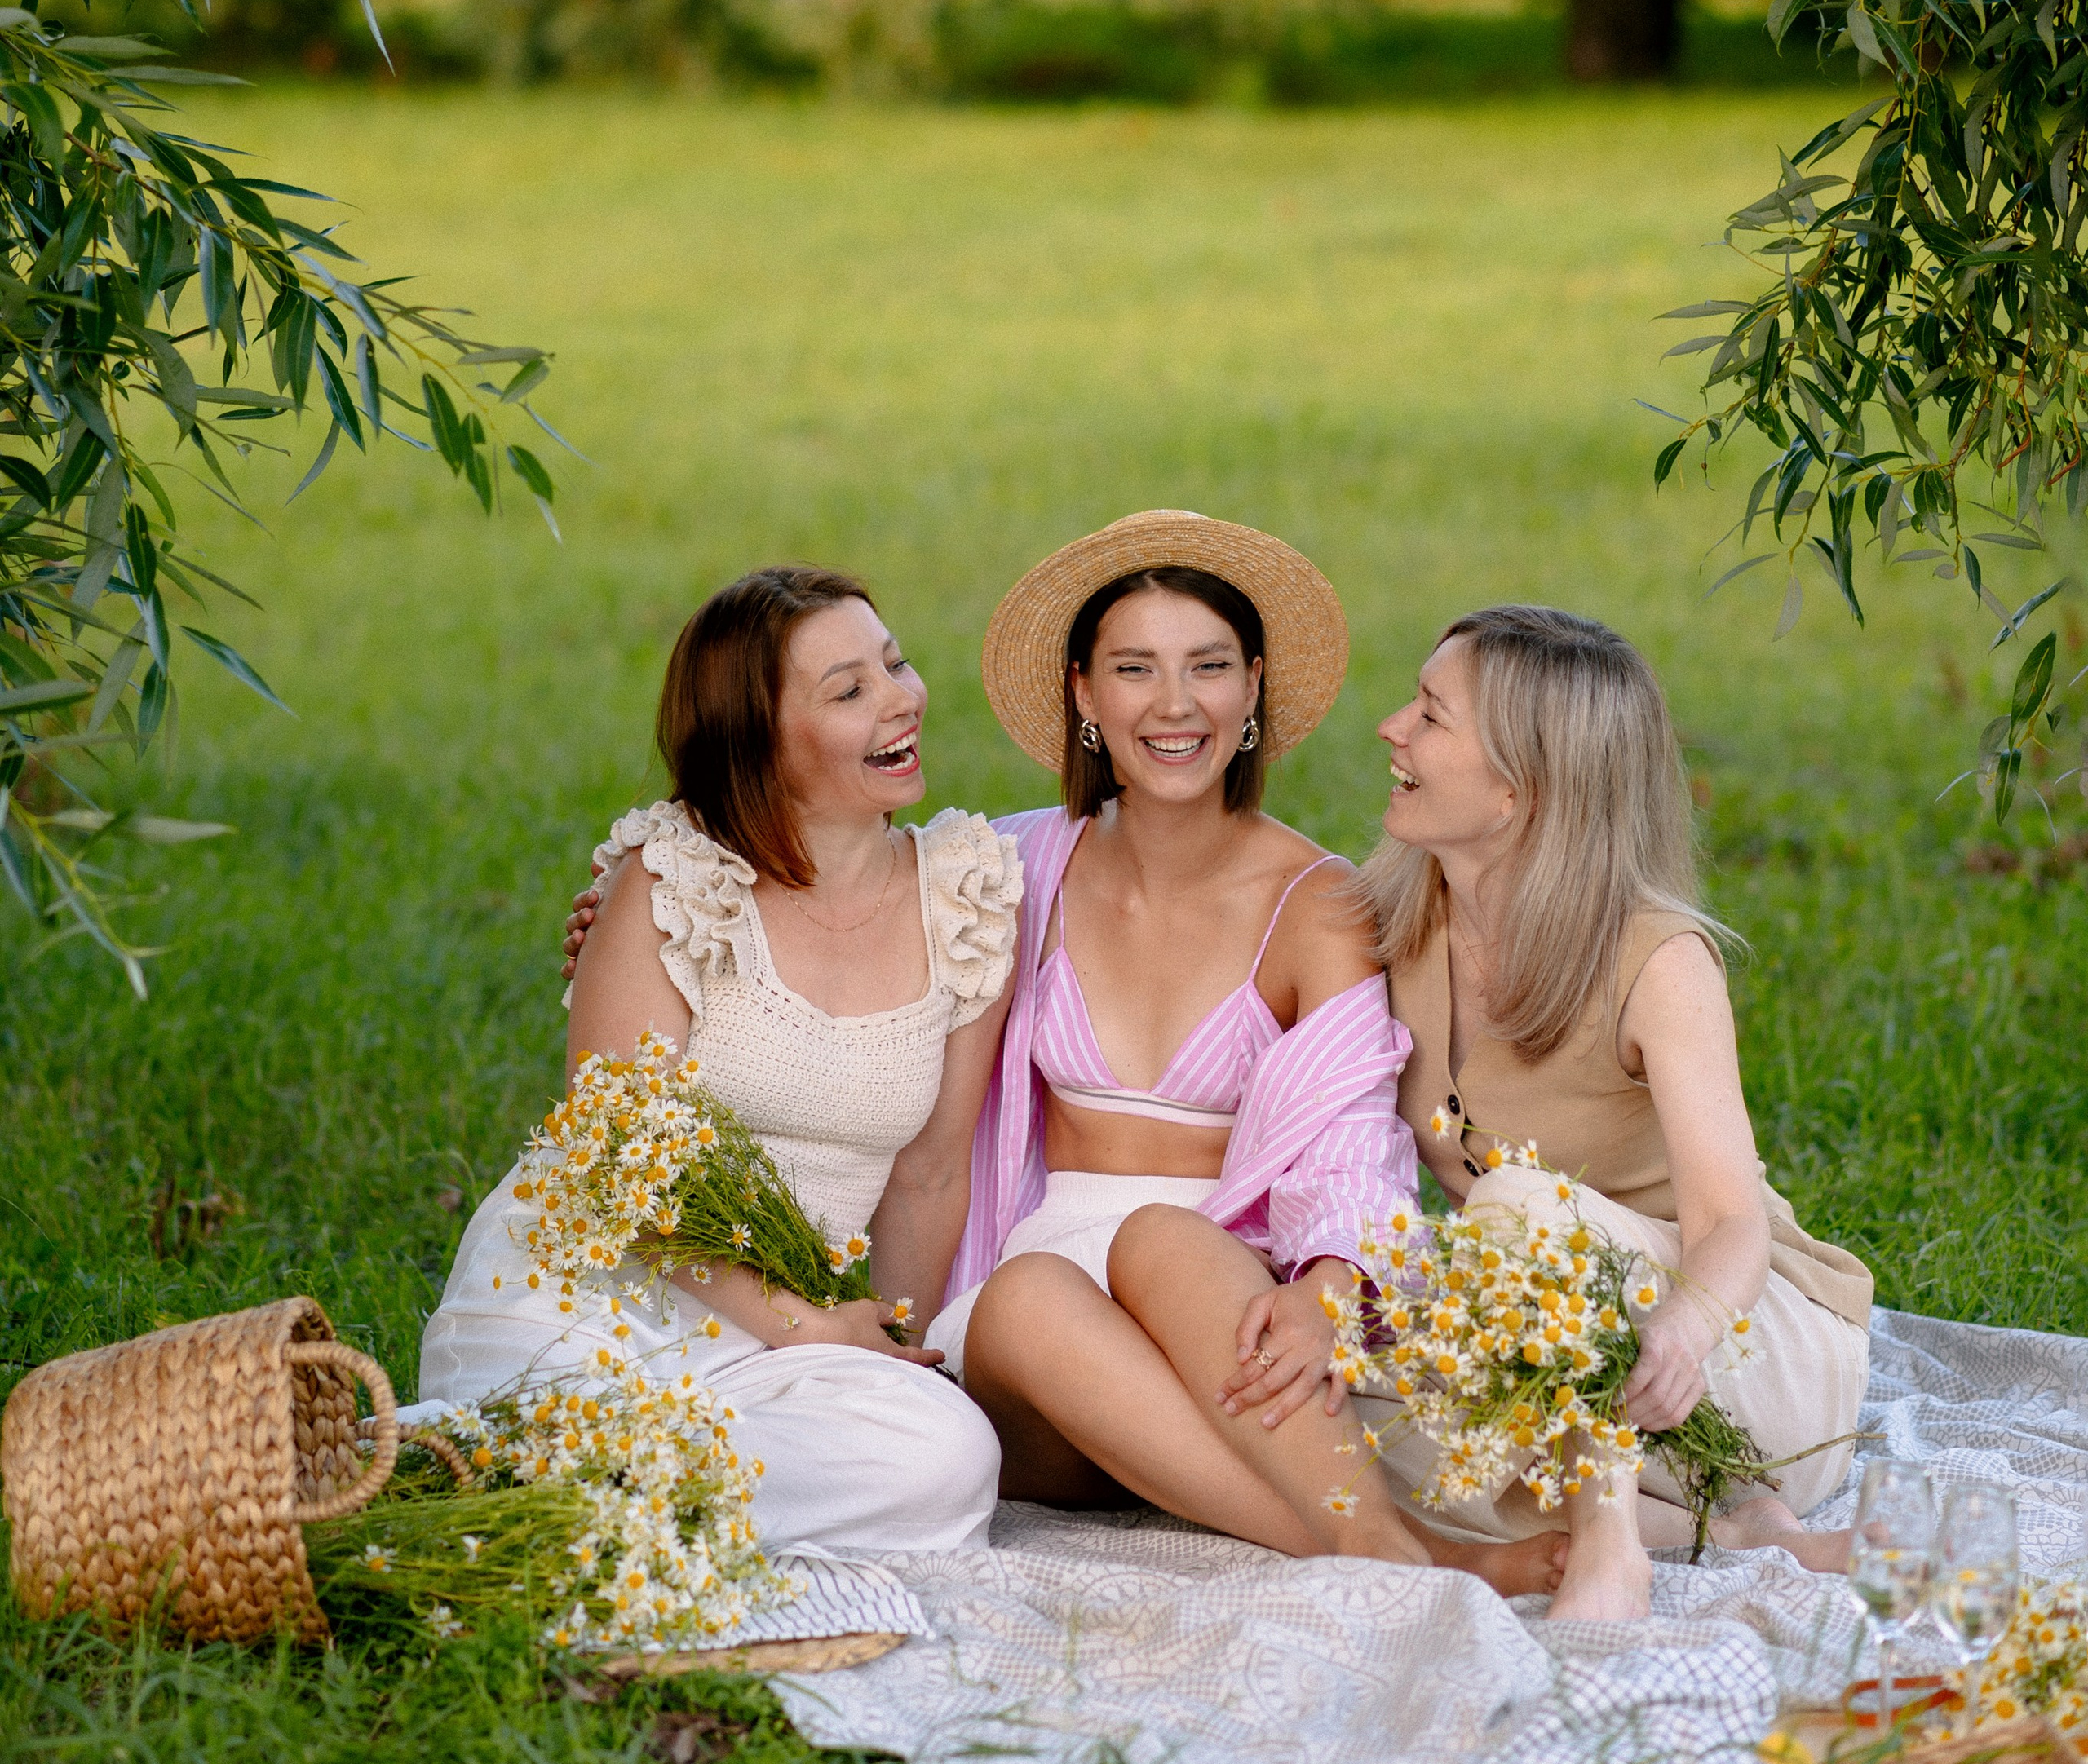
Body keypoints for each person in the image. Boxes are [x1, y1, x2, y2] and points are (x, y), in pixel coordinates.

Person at [925, 509, 1564, 1598]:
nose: (1175, 704)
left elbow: (1354, 1133)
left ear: (1254, 685)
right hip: (1037, 1359)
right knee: (1026, 1295)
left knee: (1162, 1239)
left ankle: (1374, 1544)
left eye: (1209, 666)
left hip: (1220, 1311)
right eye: (1135, 668)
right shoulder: (1011, 866)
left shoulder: (1317, 903)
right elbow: (842, 937)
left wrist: (1329, 1283)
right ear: (1084, 693)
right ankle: (1414, 1551)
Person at [422, 565, 1017, 1564]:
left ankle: (571, 1509)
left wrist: (887, 1350)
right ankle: (542, 1486)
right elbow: (613, 1163)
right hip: (587, 1297)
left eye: (896, 662)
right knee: (580, 1406)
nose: (901, 697)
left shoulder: (963, 894)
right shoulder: (678, 879)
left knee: (948, 1457)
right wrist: (803, 1327)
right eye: (849, 689)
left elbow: (928, 1173)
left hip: (784, 1341)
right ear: (758, 739)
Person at [1367, 604, 1872, 1622]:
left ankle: (1613, 1548)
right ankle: (1733, 1527)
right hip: (1557, 1358)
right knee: (1327, 1423)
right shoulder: (1390, 924)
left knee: (1515, 1202)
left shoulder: (1656, 958)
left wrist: (1683, 1328)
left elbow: (1729, 1220)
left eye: (1429, 712)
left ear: (1520, 787)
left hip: (1730, 1349)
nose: (1391, 727)